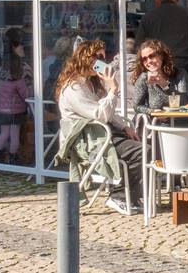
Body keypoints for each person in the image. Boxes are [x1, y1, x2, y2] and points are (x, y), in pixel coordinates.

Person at [55, 39, 143, 214]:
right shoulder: (74, 88)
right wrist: (113, 89)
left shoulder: (91, 82)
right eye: (98, 56)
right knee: (140, 152)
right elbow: (100, 115)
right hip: (90, 141)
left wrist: (124, 126)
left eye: (104, 56)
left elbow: (108, 112)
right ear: (86, 57)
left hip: (104, 134)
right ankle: (118, 195)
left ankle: (129, 196)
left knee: (144, 147)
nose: (103, 61)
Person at [137, 0, 188, 92]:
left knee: (162, 103)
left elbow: (139, 45)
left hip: (158, 69)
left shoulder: (148, 17)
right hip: (186, 66)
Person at [129, 38, 188, 116]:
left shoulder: (180, 74)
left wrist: (164, 85)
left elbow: (185, 102)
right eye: (144, 59)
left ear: (161, 55)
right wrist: (152, 112)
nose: (149, 61)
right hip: (156, 124)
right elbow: (137, 106)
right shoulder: (144, 78)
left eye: (152, 56)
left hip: (181, 122)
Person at [0, 55, 31, 165]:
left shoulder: (3, 81)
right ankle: (13, 158)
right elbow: (26, 95)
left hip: (3, 111)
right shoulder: (19, 82)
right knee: (14, 135)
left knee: (4, 134)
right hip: (16, 111)